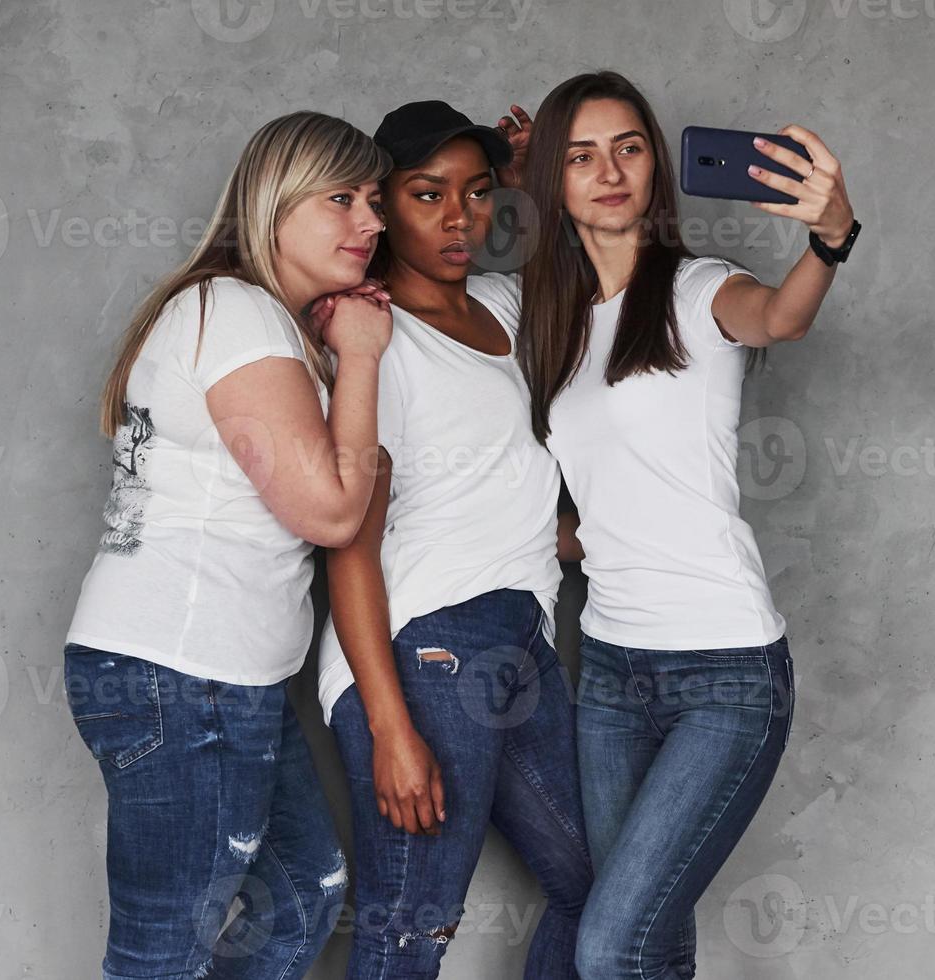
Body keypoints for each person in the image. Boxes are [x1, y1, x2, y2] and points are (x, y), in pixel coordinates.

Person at [515, 70, 859, 978]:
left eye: (628, 147)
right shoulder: (555, 325)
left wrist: (830, 237)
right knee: (648, 945)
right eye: (581, 157)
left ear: (656, 166)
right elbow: (599, 515)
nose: (610, 170)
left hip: (725, 675)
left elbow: (781, 318)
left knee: (611, 947)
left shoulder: (701, 291)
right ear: (554, 180)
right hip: (611, 674)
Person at [62, 111, 393, 980]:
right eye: (343, 199)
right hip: (183, 674)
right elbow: (328, 514)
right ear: (274, 205)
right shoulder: (237, 313)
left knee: (301, 897)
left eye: (374, 199)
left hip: (217, 677)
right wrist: (359, 357)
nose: (373, 221)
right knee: (164, 953)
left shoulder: (246, 316)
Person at [318, 100, 592, 978]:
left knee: (603, 886)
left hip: (520, 638)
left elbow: (593, 274)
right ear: (381, 204)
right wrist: (392, 728)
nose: (456, 217)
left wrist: (521, 176)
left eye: (475, 196)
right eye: (426, 193)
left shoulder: (503, 307)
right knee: (410, 933)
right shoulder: (372, 337)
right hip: (426, 648)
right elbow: (348, 548)